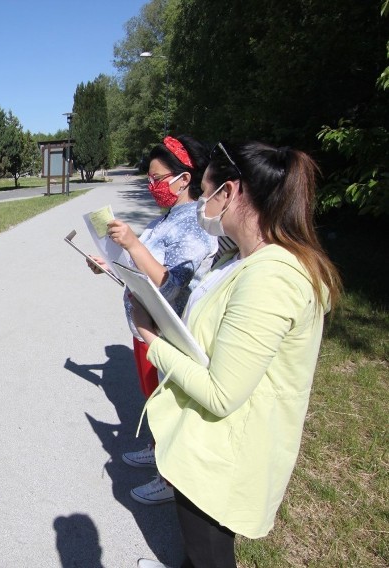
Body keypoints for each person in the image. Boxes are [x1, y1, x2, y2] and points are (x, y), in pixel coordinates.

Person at [132, 141, 342, 568]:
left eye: (207, 196)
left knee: (209, 551)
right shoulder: (241, 257)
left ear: (229, 193)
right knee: (197, 548)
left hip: (223, 454)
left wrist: (153, 344)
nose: (203, 209)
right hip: (206, 442)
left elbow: (222, 393)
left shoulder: (272, 277)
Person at [90, 135, 217, 506]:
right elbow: (140, 267)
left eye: (158, 178)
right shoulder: (168, 218)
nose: (152, 186)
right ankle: (157, 447)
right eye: (149, 179)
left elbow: (171, 285)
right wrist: (109, 264)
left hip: (165, 332)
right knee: (154, 397)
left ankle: (170, 477)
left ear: (184, 179)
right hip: (144, 328)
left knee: (169, 402)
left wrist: (132, 244)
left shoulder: (193, 226)